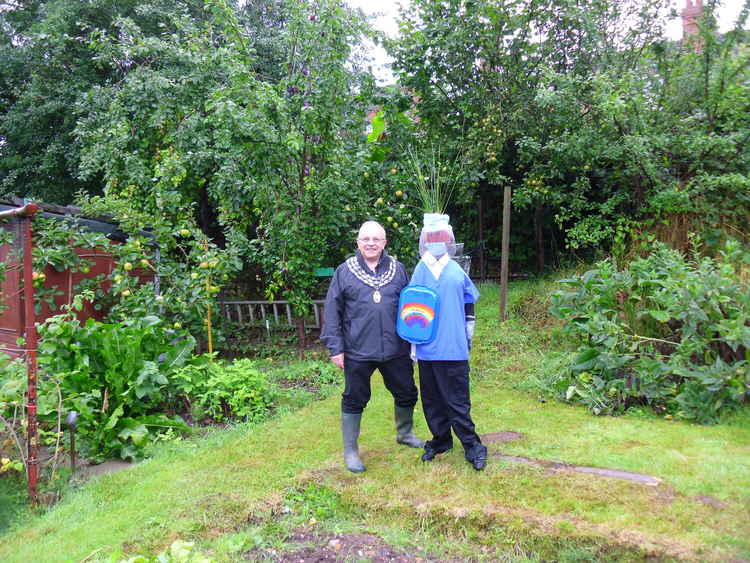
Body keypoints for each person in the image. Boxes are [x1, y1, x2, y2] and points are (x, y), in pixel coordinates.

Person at [321, 221, 424, 473]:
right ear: (358, 243)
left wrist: (414, 340)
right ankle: (351, 451)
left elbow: (411, 307)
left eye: (376, 239)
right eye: (365, 239)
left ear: (384, 243)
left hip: (395, 348)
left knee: (407, 392)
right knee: (354, 399)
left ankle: (405, 433)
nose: (370, 243)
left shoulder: (398, 270)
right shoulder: (344, 271)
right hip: (357, 350)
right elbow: (332, 311)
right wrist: (336, 348)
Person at [408, 214, 487, 471]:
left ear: (449, 239)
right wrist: (412, 344)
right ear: (426, 240)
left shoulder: (457, 270)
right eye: (432, 236)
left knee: (457, 402)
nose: (437, 240)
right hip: (427, 348)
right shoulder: (420, 269)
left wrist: (469, 336)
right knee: (431, 400)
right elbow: (411, 307)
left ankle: (473, 446)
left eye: (441, 236)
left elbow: (469, 304)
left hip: (453, 347)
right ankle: (441, 440)